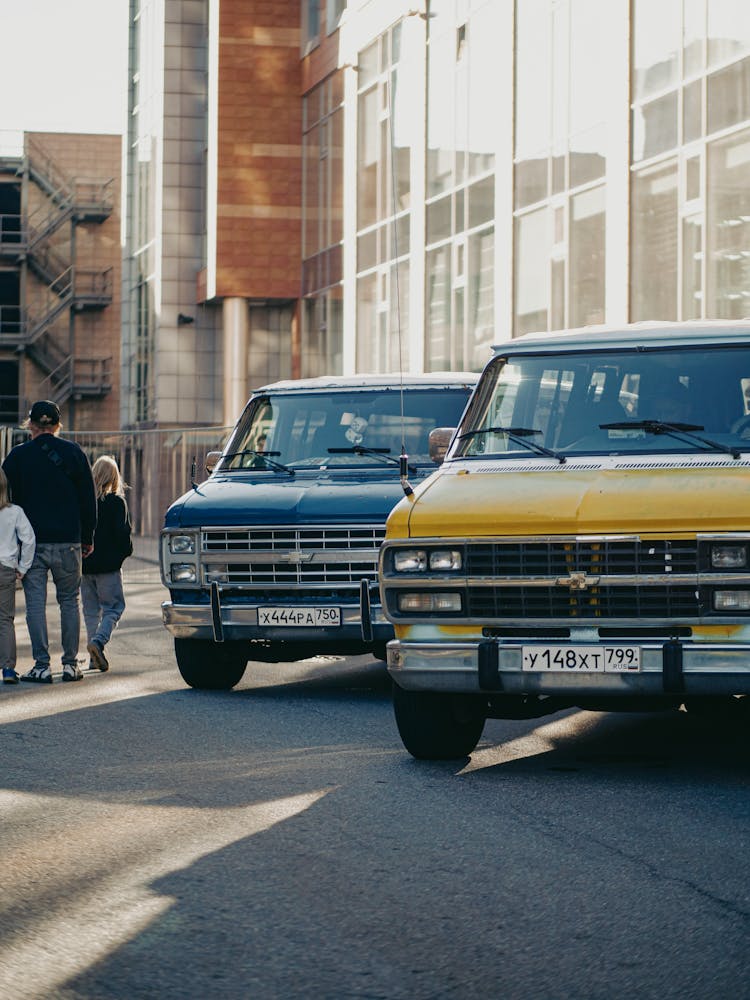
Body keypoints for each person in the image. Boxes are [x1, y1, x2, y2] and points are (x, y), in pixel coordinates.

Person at [2, 400, 96, 683]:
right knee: (69, 601)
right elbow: (88, 500)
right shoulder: (75, 453)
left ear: (30, 424)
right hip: (68, 541)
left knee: (35, 605)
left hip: (32, 545)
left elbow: (6, 501)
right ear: (57, 426)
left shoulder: (17, 457)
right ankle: (70, 664)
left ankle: (41, 665)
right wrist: (87, 537)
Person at [82, 455, 132, 672]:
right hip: (109, 568)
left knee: (91, 611)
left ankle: (94, 658)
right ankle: (99, 642)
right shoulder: (116, 502)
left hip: (86, 567)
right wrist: (125, 553)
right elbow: (123, 535)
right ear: (114, 477)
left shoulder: (85, 502)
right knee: (113, 608)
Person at [0, 468, 36, 684]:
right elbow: (29, 539)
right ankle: (8, 669)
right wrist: (23, 567)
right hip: (5, 568)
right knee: (5, 620)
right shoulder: (14, 512)